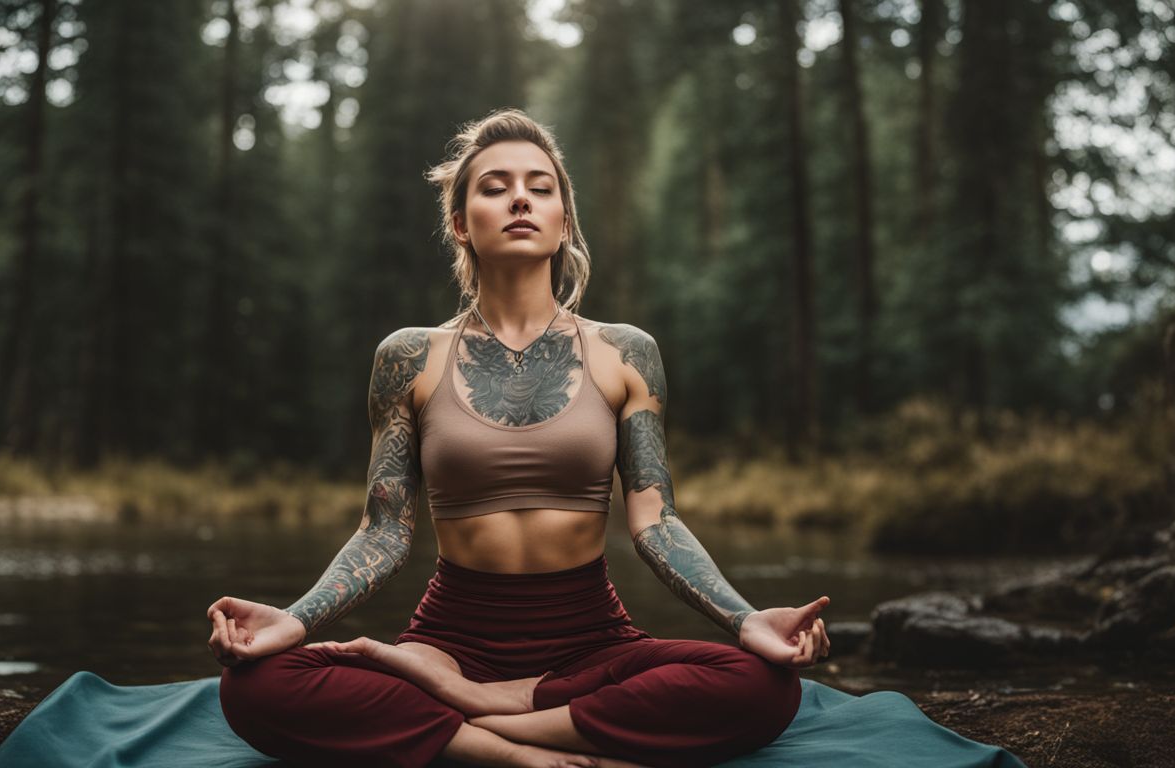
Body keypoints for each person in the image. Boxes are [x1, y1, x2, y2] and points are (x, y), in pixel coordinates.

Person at [205, 108, 831, 768]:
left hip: (592, 641)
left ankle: (479, 720)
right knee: (254, 686)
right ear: (460, 222)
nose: (520, 198)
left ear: (564, 219)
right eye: (494, 186)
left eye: (540, 185)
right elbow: (384, 530)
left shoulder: (625, 352)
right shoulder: (409, 357)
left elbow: (657, 520)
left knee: (764, 685)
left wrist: (744, 620)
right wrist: (295, 620)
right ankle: (519, 749)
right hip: (448, 641)